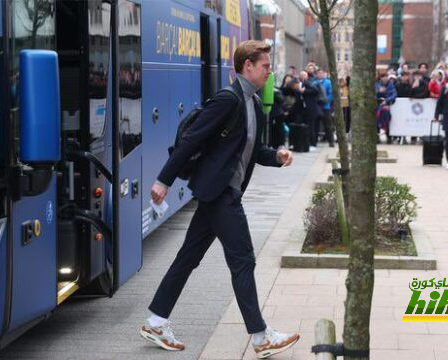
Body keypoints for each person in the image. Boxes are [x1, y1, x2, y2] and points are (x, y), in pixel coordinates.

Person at [141, 40, 300, 359]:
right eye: (265, 66)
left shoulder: (253, 104)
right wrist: (163, 179)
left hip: (220, 191)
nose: (270, 72)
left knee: (188, 257)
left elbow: (253, 152)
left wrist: (277, 157)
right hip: (220, 193)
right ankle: (260, 336)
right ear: (248, 66)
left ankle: (156, 321)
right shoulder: (227, 100)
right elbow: (191, 140)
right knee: (243, 259)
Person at [375, 71, 397, 144]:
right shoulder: (377, 84)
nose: (384, 79)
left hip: (387, 105)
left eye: (385, 77)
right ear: (380, 78)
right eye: (382, 77)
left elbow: (394, 94)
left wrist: (387, 100)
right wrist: (379, 92)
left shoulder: (391, 85)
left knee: (387, 118)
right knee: (376, 120)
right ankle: (376, 136)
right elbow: (374, 94)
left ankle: (388, 136)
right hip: (377, 105)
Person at [316, 69, 335, 147]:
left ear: (324, 74)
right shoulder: (314, 82)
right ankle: (314, 140)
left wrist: (326, 101)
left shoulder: (328, 83)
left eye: (321, 73)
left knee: (328, 125)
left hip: (326, 107)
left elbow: (331, 94)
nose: (320, 75)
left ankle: (331, 141)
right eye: (318, 73)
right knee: (316, 124)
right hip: (317, 107)